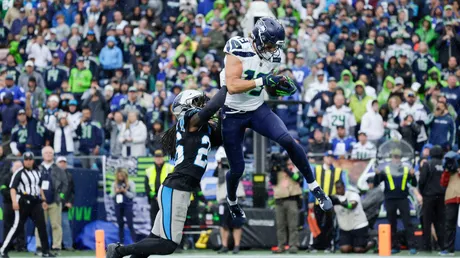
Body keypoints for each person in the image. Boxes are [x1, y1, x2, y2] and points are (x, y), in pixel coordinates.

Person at [220, 17, 331, 228]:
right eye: (270, 45)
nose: (273, 50)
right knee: (237, 168)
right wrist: (264, 81)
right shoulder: (237, 47)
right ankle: (233, 202)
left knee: (288, 141)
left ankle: (315, 187)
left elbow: (267, 86)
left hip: (256, 107)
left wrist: (277, 86)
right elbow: (233, 85)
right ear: (260, 39)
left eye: (275, 46)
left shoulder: (274, 56)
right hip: (232, 111)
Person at [106, 88, 227, 257]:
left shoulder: (202, 129)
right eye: (198, 102)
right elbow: (208, 110)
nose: (203, 105)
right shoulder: (187, 120)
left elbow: (221, 136)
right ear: (188, 105)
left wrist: (224, 111)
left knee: (154, 238)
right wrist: (227, 87)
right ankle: (119, 251)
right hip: (177, 187)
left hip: (181, 189)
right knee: (168, 244)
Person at [0, 152, 55, 257]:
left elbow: (39, 187)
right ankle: (3, 250)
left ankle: (45, 251)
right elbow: (12, 188)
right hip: (23, 202)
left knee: (42, 226)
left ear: (33, 160)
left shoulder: (37, 171)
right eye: (26, 160)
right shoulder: (19, 173)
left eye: (30, 159)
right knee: (17, 227)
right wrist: (14, 202)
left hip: (35, 202)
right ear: (23, 161)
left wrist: (43, 200)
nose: (28, 161)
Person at [374, 149, 417, 254]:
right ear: (391, 157)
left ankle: (412, 246)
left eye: (397, 157)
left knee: (407, 222)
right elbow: (376, 183)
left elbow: (414, 184)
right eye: (394, 157)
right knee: (392, 223)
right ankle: (394, 246)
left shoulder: (406, 169)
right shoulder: (386, 169)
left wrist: (413, 175)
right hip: (390, 199)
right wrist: (377, 174)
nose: (396, 159)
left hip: (403, 199)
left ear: (400, 158)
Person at [35, 146, 68, 253]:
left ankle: (56, 246)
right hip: (40, 202)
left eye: (50, 153)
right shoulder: (38, 168)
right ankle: (40, 246)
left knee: (56, 225)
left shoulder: (58, 169)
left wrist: (61, 196)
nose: (48, 154)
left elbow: (65, 184)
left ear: (53, 155)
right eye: (46, 153)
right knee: (40, 225)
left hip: (55, 201)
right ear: (43, 155)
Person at [213, 147, 245, 254]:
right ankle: (224, 245)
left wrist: (230, 162)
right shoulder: (218, 168)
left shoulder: (237, 164)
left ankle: (237, 246)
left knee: (237, 223)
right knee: (223, 224)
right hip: (223, 198)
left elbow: (240, 172)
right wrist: (220, 164)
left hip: (236, 197)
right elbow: (216, 174)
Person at [270, 156, 302, 254]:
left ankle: (293, 246)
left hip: (292, 199)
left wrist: (286, 169)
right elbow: (273, 181)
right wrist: (273, 169)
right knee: (280, 225)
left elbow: (298, 178)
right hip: (279, 200)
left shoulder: (295, 168)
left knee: (293, 225)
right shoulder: (276, 169)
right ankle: (281, 246)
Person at [330, 181, 371, 253]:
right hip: (345, 228)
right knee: (344, 249)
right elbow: (331, 212)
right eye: (336, 188)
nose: (338, 190)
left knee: (358, 250)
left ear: (344, 187)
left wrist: (339, 203)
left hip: (358, 226)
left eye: (339, 188)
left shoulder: (353, 195)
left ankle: (373, 242)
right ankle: (353, 244)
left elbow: (352, 206)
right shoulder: (335, 198)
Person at [418, 145, 445, 252]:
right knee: (440, 222)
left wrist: (423, 192)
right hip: (442, 197)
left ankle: (427, 246)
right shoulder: (444, 165)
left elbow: (422, 181)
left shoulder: (427, 164)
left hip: (429, 197)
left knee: (427, 222)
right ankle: (442, 245)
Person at [0, 161, 25, 253]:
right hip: (8, 204)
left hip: (21, 204)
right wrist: (14, 197)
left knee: (20, 225)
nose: (18, 168)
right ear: (12, 167)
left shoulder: (24, 178)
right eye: (16, 166)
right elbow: (3, 189)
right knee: (8, 225)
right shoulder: (6, 177)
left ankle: (21, 245)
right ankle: (7, 245)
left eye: (20, 167)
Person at [145, 149, 174, 226]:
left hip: (167, 199)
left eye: (160, 157)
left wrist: (164, 196)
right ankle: (154, 238)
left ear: (163, 157)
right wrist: (155, 196)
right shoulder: (149, 170)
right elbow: (147, 187)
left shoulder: (171, 168)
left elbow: (174, 184)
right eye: (157, 157)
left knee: (167, 221)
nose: (158, 159)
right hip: (155, 200)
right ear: (154, 158)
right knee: (154, 221)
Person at [439, 151, 460, 256]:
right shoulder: (448, 170)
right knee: (449, 225)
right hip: (451, 198)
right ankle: (448, 249)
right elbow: (443, 183)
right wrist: (447, 171)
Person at [111, 168, 136, 244]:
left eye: (122, 175)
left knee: (130, 224)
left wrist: (125, 191)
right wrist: (116, 192)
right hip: (118, 205)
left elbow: (133, 195)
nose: (120, 177)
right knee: (120, 224)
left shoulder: (130, 183)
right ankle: (121, 243)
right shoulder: (114, 184)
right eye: (118, 175)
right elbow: (112, 195)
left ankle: (134, 242)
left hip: (127, 205)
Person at [56, 156, 75, 251]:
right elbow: (55, 191)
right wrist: (64, 202)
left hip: (64, 207)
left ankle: (68, 245)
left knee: (65, 225)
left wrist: (70, 202)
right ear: (57, 164)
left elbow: (72, 191)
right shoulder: (53, 174)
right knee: (49, 225)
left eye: (64, 162)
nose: (62, 164)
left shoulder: (69, 176)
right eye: (60, 162)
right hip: (54, 205)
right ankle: (50, 245)